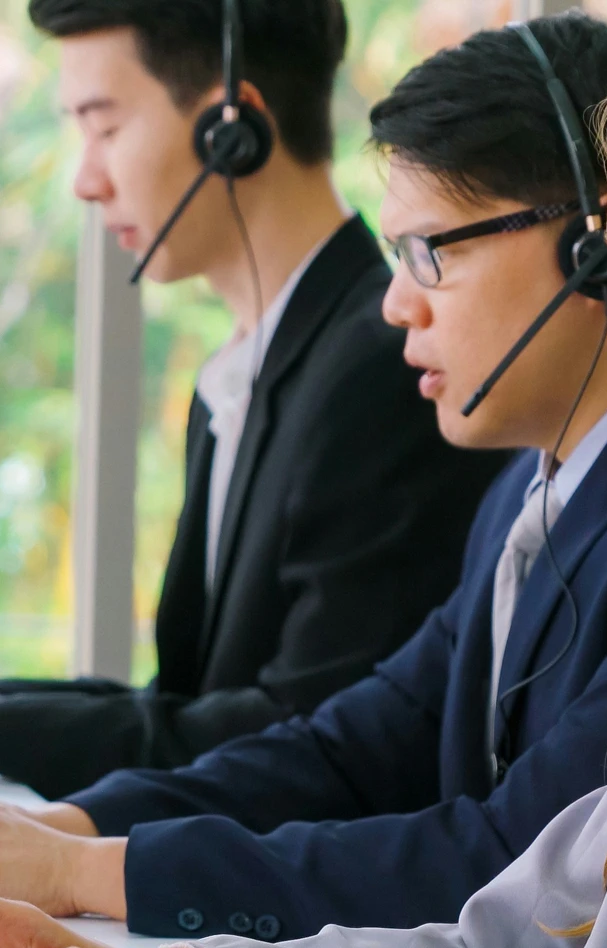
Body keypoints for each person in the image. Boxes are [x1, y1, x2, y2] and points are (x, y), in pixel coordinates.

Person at [0, 13, 607, 943]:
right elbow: (347, 748)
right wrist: (63, 833)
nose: (397, 303)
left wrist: (88, 872)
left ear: (592, 253)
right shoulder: (521, 501)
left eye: (428, 254)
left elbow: (510, 855)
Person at [0, 0, 507, 799]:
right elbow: (187, 709)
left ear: (229, 129)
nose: (85, 179)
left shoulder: (383, 376)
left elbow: (296, 731)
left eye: (104, 128)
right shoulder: (246, 372)